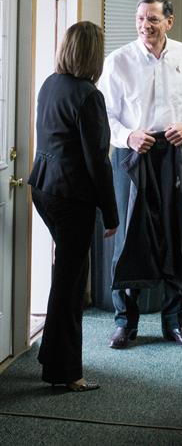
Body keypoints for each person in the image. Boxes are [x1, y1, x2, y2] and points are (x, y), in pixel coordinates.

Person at [99, 0, 182, 350]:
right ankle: (125, 322)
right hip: (132, 154)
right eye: (141, 19)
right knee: (129, 236)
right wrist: (128, 135)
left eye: (153, 19)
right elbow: (107, 117)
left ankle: (175, 321)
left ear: (169, 22)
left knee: (177, 236)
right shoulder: (118, 61)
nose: (146, 25)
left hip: (174, 152)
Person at [28, 21, 119, 391]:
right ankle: (65, 372)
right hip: (70, 197)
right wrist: (111, 212)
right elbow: (98, 160)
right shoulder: (88, 95)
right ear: (94, 54)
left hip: (44, 189)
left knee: (64, 274)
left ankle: (52, 354)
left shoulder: (51, 83)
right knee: (70, 281)